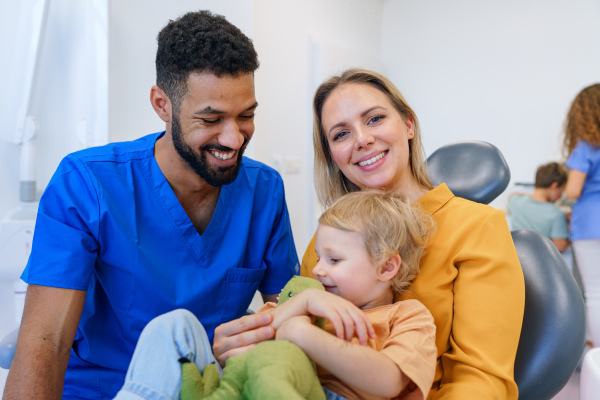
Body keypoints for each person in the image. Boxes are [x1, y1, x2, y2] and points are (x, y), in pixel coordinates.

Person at [3, 10, 298, 400]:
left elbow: (288, 310)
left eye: (246, 116)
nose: (234, 139)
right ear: (162, 104)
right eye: (211, 119)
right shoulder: (86, 184)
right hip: (104, 388)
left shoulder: (264, 190)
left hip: (208, 386)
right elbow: (45, 342)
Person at [296, 69, 525, 399]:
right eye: (341, 134)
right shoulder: (324, 246)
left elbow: (481, 381)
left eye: (374, 119)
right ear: (332, 155)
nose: (361, 139)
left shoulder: (477, 227)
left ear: (408, 125)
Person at [113, 189, 438, 400]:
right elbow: (243, 347)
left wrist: (301, 333)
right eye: (320, 258)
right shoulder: (302, 302)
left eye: (335, 260)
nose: (319, 270)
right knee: (176, 325)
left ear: (386, 268)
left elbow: (389, 382)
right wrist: (303, 303)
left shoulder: (407, 316)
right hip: (246, 386)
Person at [562, 83, 600, 347]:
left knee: (595, 293)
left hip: (590, 224)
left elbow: (573, 189)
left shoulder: (588, 145)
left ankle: (597, 355)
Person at [507, 162, 569, 252]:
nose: (560, 196)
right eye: (562, 191)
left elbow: (511, 195)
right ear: (554, 186)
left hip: (516, 256)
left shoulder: (516, 202)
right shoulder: (556, 214)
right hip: (539, 261)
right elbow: (560, 246)